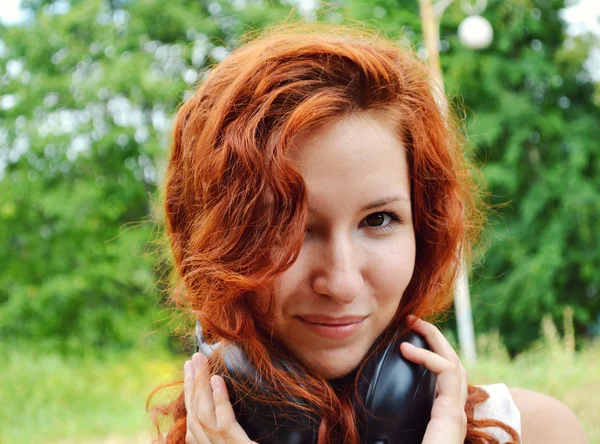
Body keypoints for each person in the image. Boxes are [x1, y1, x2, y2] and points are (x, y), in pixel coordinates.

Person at [149, 23, 588, 444]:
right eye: (288, 227)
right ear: (212, 246)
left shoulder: (535, 433)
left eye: (378, 220)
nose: (341, 284)